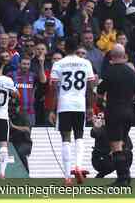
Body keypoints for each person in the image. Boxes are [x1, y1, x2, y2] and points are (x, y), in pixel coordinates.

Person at [49, 37, 95, 186]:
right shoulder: (86, 63)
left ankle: (68, 176)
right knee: (80, 136)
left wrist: (52, 109)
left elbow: (53, 88)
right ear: (77, 48)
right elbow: (90, 87)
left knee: (66, 138)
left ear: (64, 48)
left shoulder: (58, 64)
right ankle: (79, 166)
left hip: (64, 105)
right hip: (79, 104)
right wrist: (89, 107)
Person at [97, 44, 135, 186]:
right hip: (129, 112)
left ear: (112, 56)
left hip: (114, 112)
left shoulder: (109, 72)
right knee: (122, 143)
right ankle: (126, 175)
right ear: (124, 55)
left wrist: (101, 104)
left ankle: (123, 178)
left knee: (115, 146)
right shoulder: (132, 72)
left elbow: (100, 93)